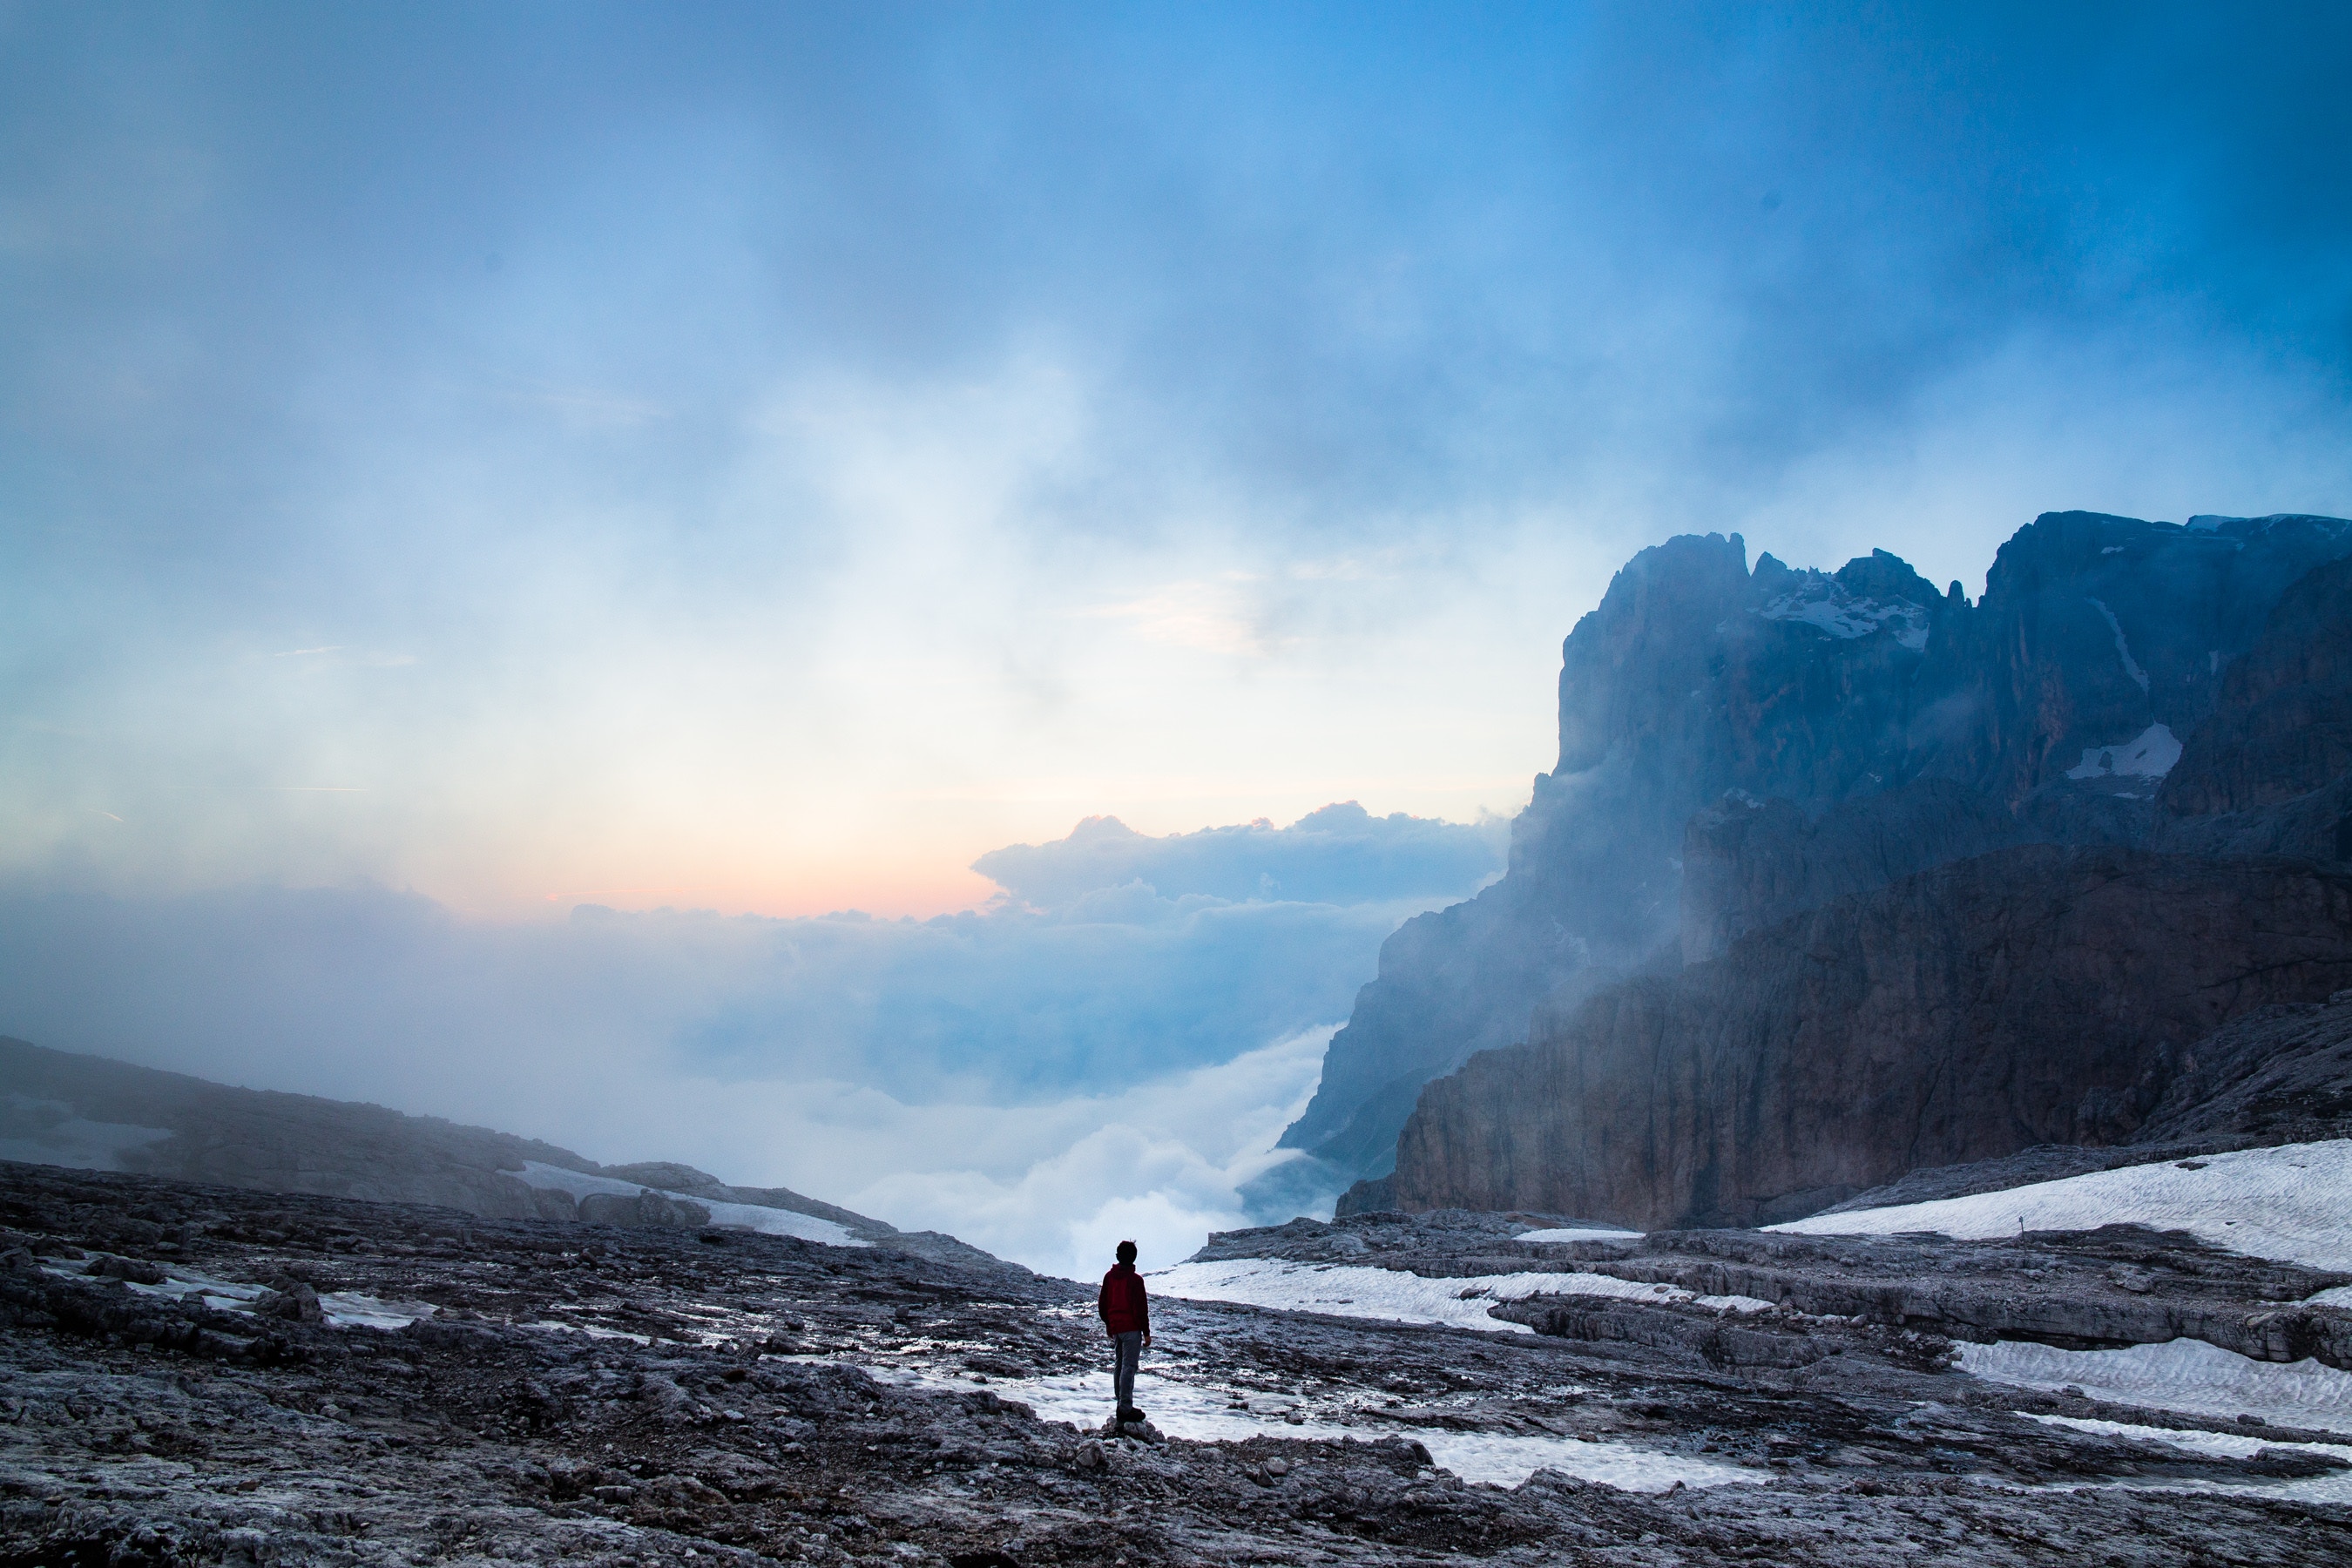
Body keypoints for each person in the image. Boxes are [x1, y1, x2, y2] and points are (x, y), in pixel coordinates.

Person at [1097, 1239, 1150, 1423]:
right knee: (1129, 1366)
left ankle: (1121, 1403)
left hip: (1117, 1329)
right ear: (1134, 1258)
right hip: (1132, 1329)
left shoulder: (1109, 1277)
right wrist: (1146, 1332)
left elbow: (1103, 1304)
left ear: (1118, 1256)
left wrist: (1109, 1324)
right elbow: (1140, 1308)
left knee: (1119, 1365)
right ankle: (1125, 1408)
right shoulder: (1135, 1280)